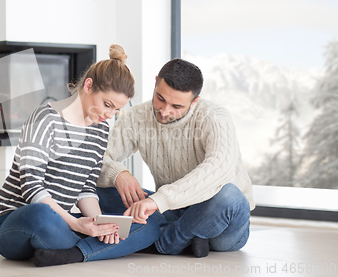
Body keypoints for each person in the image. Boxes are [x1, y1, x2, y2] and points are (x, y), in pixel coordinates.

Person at [0, 45, 161, 267]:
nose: (109, 115)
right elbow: (31, 187)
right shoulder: (45, 118)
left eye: (115, 110)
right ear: (88, 85)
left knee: (152, 223)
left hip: (63, 221)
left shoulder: (100, 131)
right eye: (107, 105)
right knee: (40, 215)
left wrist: (100, 223)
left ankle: (74, 252)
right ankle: (98, 248)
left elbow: (86, 187)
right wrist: (77, 224)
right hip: (18, 221)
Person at [96, 58, 255, 258]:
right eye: (160, 98)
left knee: (229, 195)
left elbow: (218, 170)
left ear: (194, 101)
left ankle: (161, 244)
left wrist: (157, 200)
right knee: (96, 186)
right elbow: (95, 159)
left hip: (219, 220)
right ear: (155, 82)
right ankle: (187, 236)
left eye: (177, 106)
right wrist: (118, 173)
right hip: (173, 211)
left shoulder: (214, 117)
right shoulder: (135, 117)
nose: (164, 111)